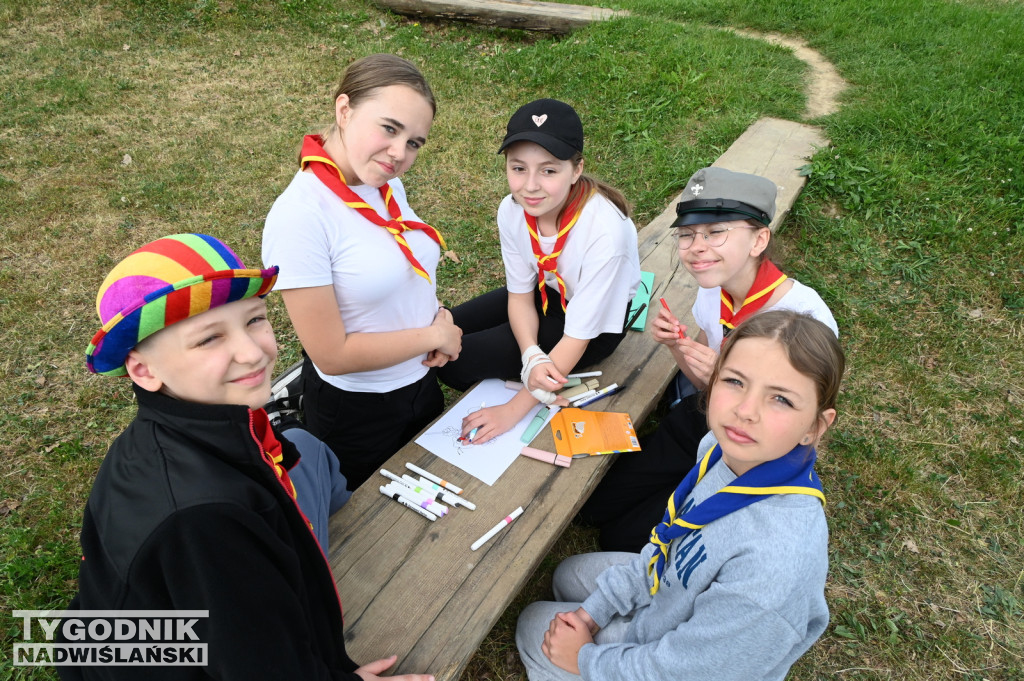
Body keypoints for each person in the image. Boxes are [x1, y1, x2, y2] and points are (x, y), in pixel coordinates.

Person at [65, 233, 432, 681]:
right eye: (208, 340)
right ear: (144, 370)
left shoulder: (185, 430)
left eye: (255, 320)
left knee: (307, 446)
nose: (253, 351)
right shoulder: (207, 518)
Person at [516, 310, 844, 681]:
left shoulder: (772, 573)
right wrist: (594, 612)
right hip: (674, 590)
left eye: (781, 399)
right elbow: (669, 542)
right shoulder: (722, 448)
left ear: (815, 427)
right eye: (735, 381)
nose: (745, 411)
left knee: (533, 626)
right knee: (566, 576)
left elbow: (683, 671)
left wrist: (586, 660)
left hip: (684, 665)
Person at [578, 166, 839, 552]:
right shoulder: (713, 289)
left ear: (758, 240)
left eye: (716, 233)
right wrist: (678, 347)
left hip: (748, 449)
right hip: (700, 418)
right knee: (592, 509)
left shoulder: (806, 315)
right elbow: (704, 384)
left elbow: (794, 420)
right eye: (686, 235)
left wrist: (719, 380)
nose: (696, 246)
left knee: (619, 538)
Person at [262, 53, 462, 489]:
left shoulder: (383, 185)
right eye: (389, 128)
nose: (399, 153)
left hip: (420, 381)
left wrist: (438, 314)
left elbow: (397, 269)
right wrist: (433, 336)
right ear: (344, 109)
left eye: (414, 143)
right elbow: (330, 354)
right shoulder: (300, 216)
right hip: (356, 412)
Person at [437, 99, 640, 443]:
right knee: (446, 333)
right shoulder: (512, 210)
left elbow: (578, 335)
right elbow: (519, 294)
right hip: (546, 294)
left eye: (548, 170)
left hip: (593, 326)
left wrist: (514, 409)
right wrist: (531, 353)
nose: (530, 186)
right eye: (518, 168)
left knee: (456, 362)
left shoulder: (605, 233)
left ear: (576, 170)